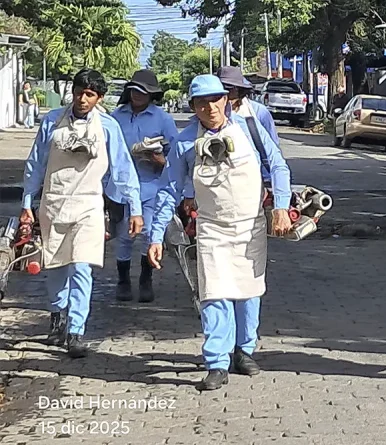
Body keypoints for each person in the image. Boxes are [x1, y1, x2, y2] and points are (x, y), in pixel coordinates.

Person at [147, 75, 292, 391]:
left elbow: (279, 166)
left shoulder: (250, 130)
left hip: (250, 225)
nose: (210, 107)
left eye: (215, 100)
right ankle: (216, 362)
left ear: (226, 100)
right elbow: (168, 190)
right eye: (201, 103)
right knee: (213, 292)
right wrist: (155, 235)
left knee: (249, 290)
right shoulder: (185, 143)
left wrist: (281, 205)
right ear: (194, 107)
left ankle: (245, 351)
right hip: (211, 227)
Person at [21, 68, 143, 357]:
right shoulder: (52, 121)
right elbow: (36, 164)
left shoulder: (109, 126)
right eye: (79, 92)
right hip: (53, 203)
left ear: (99, 98)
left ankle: (76, 332)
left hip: (88, 205)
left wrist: (135, 208)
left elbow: (123, 170)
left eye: (89, 94)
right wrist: (27, 203)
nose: (82, 99)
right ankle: (57, 317)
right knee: (55, 266)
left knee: (81, 266)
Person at [110, 69, 179, 303]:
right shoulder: (116, 116)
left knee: (149, 232)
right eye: (135, 90)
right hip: (120, 188)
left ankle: (145, 279)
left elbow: (176, 156)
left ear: (152, 95)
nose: (138, 95)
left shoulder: (163, 119)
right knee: (124, 236)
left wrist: (159, 160)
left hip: (151, 185)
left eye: (144, 92)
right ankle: (123, 281)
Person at [216, 66, 280, 146]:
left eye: (231, 89)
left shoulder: (258, 111)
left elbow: (273, 145)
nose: (227, 94)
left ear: (239, 90)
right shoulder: (211, 112)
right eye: (222, 90)